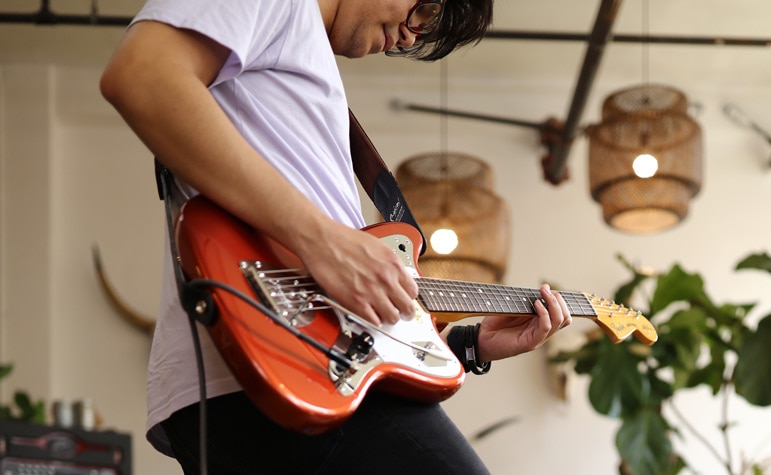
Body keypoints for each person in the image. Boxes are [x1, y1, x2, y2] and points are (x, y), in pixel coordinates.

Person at [99, 0, 572, 473]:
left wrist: (467, 344)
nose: (412, 35)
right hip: (269, 368)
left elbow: (335, 312)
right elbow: (143, 75)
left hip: (297, 370)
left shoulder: (298, 57)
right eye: (423, 8)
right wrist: (323, 241)